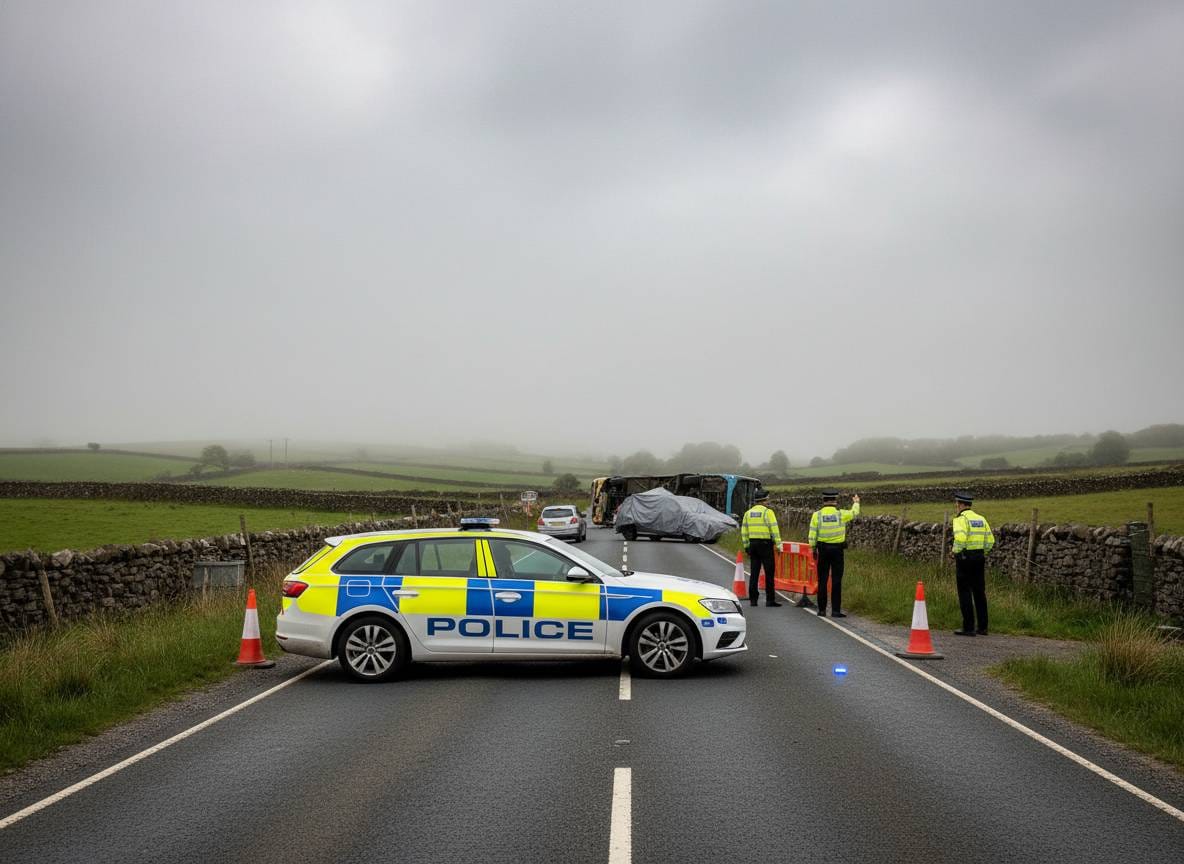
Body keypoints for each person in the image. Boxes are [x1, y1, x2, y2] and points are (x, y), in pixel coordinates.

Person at [808, 488, 860, 617]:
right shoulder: (841, 514)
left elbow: (812, 535)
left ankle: (821, 610)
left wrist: (813, 548)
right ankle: (835, 611)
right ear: (835, 500)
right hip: (837, 551)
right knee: (836, 580)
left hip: (823, 550)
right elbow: (854, 513)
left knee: (822, 580)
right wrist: (856, 502)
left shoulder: (817, 515)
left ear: (823, 500)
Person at [951, 490, 994, 636]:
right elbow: (990, 540)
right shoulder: (981, 519)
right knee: (979, 592)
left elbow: (960, 539)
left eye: (957, 504)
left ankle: (968, 627)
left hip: (965, 557)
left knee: (964, 592)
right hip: (979, 557)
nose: (956, 506)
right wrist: (982, 553)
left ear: (961, 504)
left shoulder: (960, 520)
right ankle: (983, 627)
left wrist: (956, 552)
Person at [741, 489, 782, 607]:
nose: (768, 501)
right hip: (765, 545)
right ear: (764, 500)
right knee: (769, 573)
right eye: (767, 499)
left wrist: (746, 546)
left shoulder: (748, 513)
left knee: (754, 572)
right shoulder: (768, 512)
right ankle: (770, 600)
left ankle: (753, 600)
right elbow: (774, 529)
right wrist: (779, 545)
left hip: (753, 545)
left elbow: (744, 531)